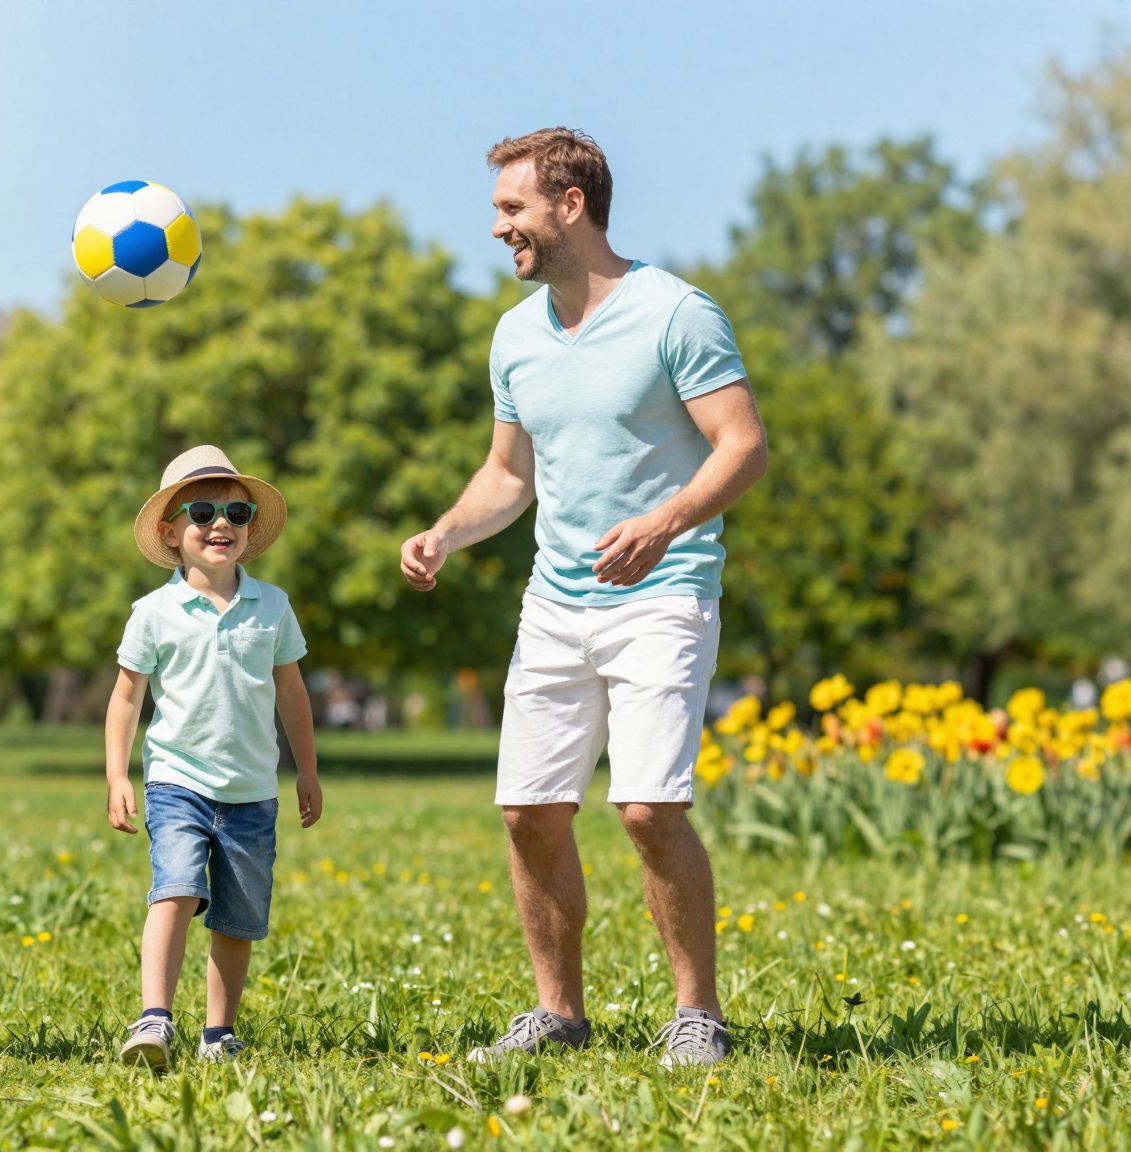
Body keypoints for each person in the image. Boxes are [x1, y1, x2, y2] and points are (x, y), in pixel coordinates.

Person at [400, 129, 769, 1068]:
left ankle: (698, 1014)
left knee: (647, 809)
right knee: (529, 809)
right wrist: (446, 531)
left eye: (512, 209)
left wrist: (666, 523)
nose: (498, 229)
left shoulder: (676, 314)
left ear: (570, 206)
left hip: (664, 591)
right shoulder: (516, 335)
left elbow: (742, 446)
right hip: (556, 603)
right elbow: (506, 475)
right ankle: (558, 1012)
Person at [104, 445, 323, 1070]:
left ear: (251, 528)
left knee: (239, 916)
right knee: (173, 889)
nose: (220, 522)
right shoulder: (153, 612)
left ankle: (218, 1031)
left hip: (253, 789)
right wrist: (119, 774)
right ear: (171, 533)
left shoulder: (273, 606)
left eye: (236, 511)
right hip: (177, 780)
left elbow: (293, 692)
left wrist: (306, 771)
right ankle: (154, 1018)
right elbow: (126, 698)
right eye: (202, 511)